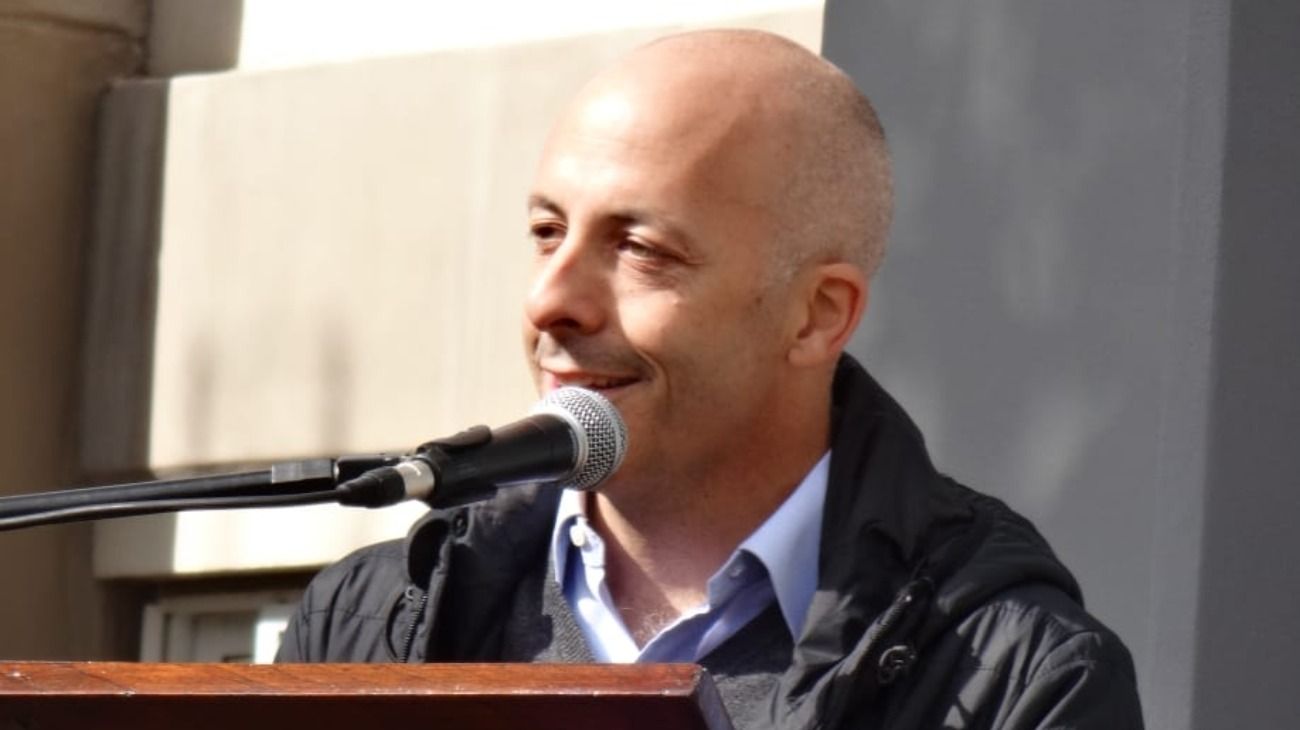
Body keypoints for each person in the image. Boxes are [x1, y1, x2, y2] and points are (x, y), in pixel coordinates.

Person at [277, 29, 1143, 729]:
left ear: (816, 316)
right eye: (547, 233)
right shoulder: (372, 618)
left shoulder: (1016, 678)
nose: (551, 300)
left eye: (641, 250)